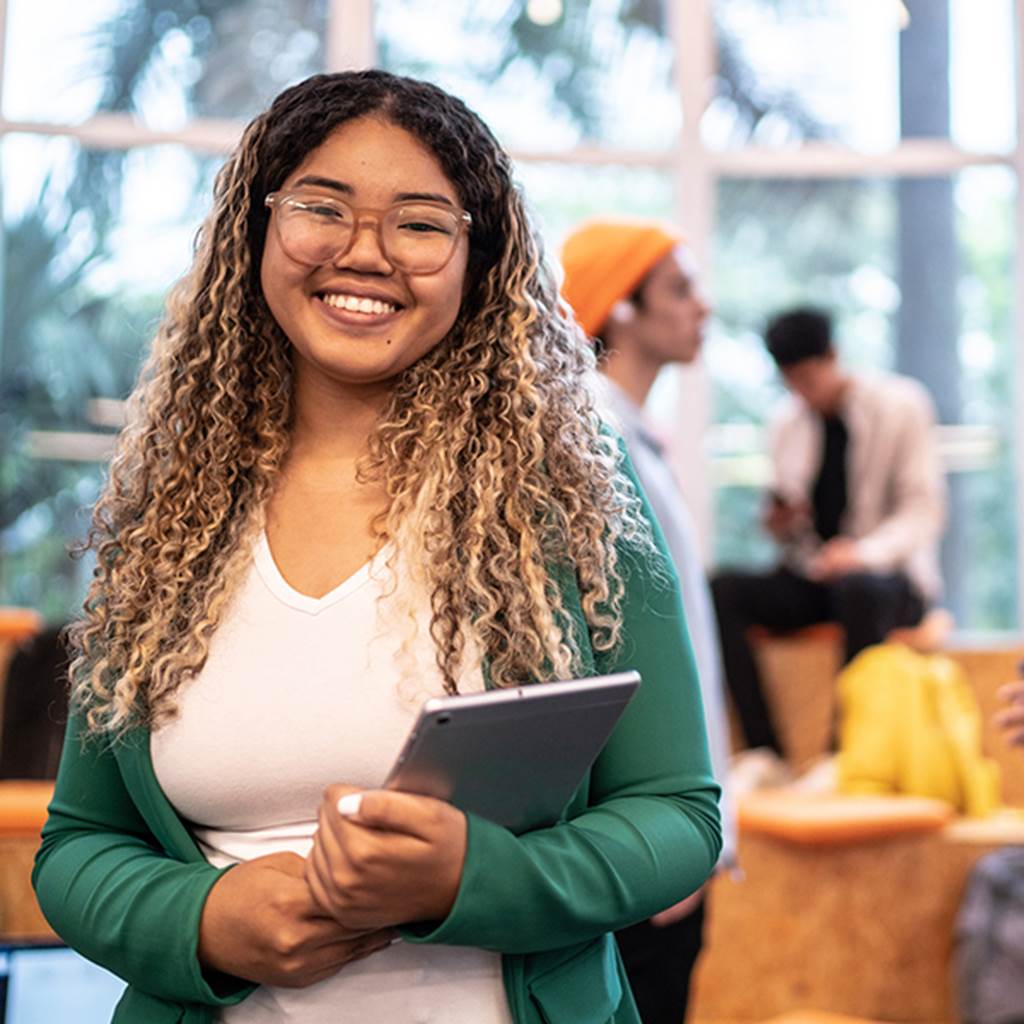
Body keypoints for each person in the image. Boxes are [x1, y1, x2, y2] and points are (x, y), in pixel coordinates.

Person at [32, 71, 721, 1024]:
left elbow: (677, 815)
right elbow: (78, 844)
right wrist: (202, 919)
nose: (366, 254)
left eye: (421, 223)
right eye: (322, 208)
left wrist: (475, 878)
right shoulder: (171, 504)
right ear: (258, 231)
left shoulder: (571, 487)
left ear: (477, 257)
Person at [560, 220, 735, 1024]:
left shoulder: (634, 435)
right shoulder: (584, 439)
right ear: (620, 311)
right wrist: (656, 837)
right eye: (681, 288)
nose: (704, 307)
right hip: (637, 839)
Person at [712, 307, 946, 774]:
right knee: (722, 588)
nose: (803, 391)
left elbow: (923, 511)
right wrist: (782, 524)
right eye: (791, 381)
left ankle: (843, 756)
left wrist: (861, 554)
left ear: (834, 355)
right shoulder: (786, 424)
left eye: (809, 376)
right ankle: (766, 753)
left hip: (889, 580)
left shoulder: (901, 404)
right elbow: (794, 535)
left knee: (859, 589)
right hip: (820, 577)